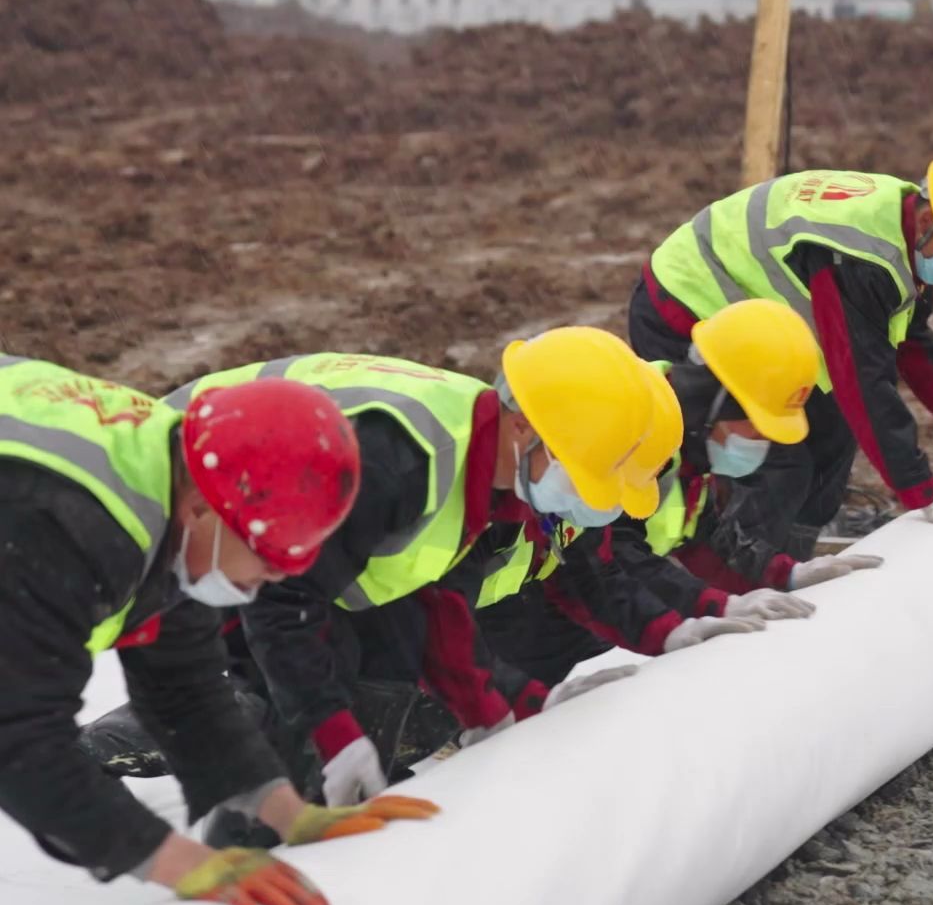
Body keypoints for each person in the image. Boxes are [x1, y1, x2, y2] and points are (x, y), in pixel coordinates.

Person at [0, 356, 436, 905]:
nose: (281, 577)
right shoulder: (63, 528)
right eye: (270, 553)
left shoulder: (169, 490)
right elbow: (19, 739)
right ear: (206, 511)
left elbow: (184, 687)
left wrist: (288, 813)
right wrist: (177, 862)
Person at [160, 329, 662, 808]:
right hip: (188, 508)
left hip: (263, 533)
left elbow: (439, 607)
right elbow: (284, 601)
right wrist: (332, 733)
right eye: (576, 472)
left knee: (376, 678)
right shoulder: (404, 460)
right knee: (295, 725)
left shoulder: (486, 469)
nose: (578, 495)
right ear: (524, 426)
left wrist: (516, 706)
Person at [631, 156, 933, 563]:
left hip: (752, 331)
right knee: (776, 462)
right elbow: (863, 382)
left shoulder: (905, 237)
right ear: (928, 220)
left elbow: (913, 341)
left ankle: (793, 564)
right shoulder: (860, 258)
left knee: (832, 436)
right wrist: (923, 494)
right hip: (687, 310)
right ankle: (729, 581)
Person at [482, 300, 880, 684]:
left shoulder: (686, 443)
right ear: (724, 402)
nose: (762, 443)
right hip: (513, 604)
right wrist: (693, 615)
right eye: (757, 427)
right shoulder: (627, 441)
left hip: (529, 591)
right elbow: (612, 558)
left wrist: (783, 575)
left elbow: (699, 531)